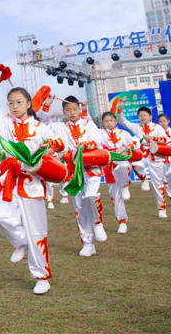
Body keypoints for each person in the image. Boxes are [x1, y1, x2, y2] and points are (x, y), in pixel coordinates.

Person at [0, 74, 54, 295]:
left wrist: (49, 146)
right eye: (11, 103)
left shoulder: (40, 127)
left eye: (19, 102)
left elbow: (54, 147)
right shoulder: (5, 124)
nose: (14, 106)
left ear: (29, 103)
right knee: (0, 215)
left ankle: (41, 276)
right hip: (10, 181)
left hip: (32, 183)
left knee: (37, 231)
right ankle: (20, 240)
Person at [40, 95, 108, 257]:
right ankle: (87, 243)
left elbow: (96, 139)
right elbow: (44, 125)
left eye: (74, 109)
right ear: (63, 111)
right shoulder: (60, 127)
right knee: (80, 208)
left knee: (91, 195)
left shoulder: (88, 124)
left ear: (79, 109)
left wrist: (84, 147)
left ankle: (98, 222)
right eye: (68, 109)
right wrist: (46, 107)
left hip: (91, 167)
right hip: (72, 172)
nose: (71, 112)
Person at [116, 104, 170, 218]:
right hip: (143, 154)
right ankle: (144, 179)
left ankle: (161, 208)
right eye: (140, 116)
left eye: (145, 115)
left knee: (157, 184)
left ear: (150, 117)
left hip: (156, 156)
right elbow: (123, 121)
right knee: (135, 164)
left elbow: (166, 139)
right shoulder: (137, 127)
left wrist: (154, 138)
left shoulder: (157, 127)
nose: (142, 117)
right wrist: (119, 109)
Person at [99, 111, 136, 234]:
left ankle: (125, 185)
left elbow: (136, 143)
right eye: (106, 121)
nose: (108, 123)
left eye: (110, 120)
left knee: (122, 167)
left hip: (122, 160)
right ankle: (122, 222)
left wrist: (127, 147)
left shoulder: (124, 134)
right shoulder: (101, 134)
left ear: (115, 121)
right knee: (115, 196)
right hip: (109, 166)